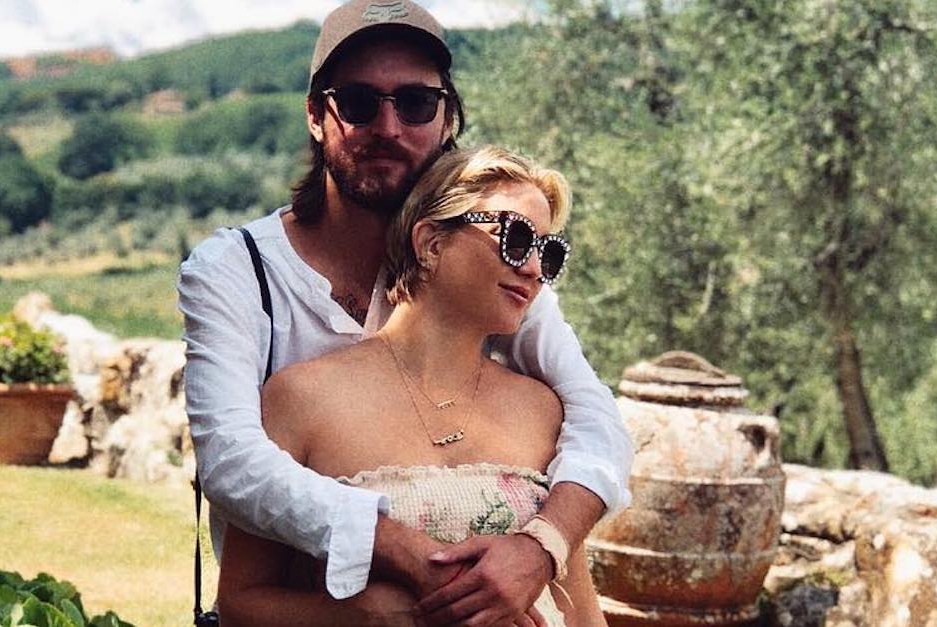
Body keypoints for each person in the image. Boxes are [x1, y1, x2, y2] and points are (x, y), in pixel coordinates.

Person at [176, 0, 633, 623]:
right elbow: (232, 461)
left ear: (447, 120)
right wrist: (404, 560)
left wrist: (541, 546)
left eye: (416, 103)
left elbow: (596, 420)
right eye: (358, 102)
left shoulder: (498, 278)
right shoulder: (237, 273)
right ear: (316, 116)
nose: (388, 126)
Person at [217, 145, 609, 626]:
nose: (532, 269)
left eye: (548, 254)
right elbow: (238, 604)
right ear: (431, 242)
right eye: (516, 237)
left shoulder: (543, 410)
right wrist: (356, 617)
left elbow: (580, 610)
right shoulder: (300, 400)